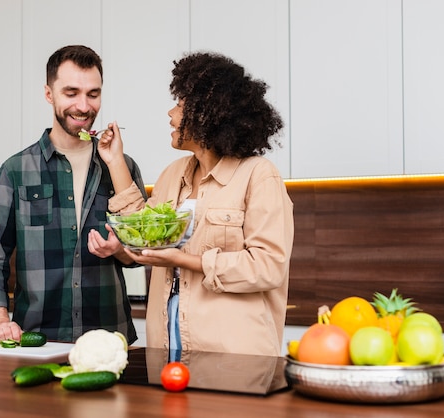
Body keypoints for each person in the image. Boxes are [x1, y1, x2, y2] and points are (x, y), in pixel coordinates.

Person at [88, 51, 294, 357]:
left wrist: (185, 260)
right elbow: (148, 232)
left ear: (208, 114)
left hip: (233, 355)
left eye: (181, 106)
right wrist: (115, 160)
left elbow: (268, 267)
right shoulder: (173, 174)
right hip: (168, 344)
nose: (171, 114)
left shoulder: (258, 176)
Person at [0, 45, 146, 345]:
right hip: (37, 340)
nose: (83, 105)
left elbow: (142, 253)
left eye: (93, 94)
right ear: (49, 94)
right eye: (71, 93)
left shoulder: (122, 166)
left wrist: (118, 250)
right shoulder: (16, 170)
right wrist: (0, 320)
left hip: (110, 341)